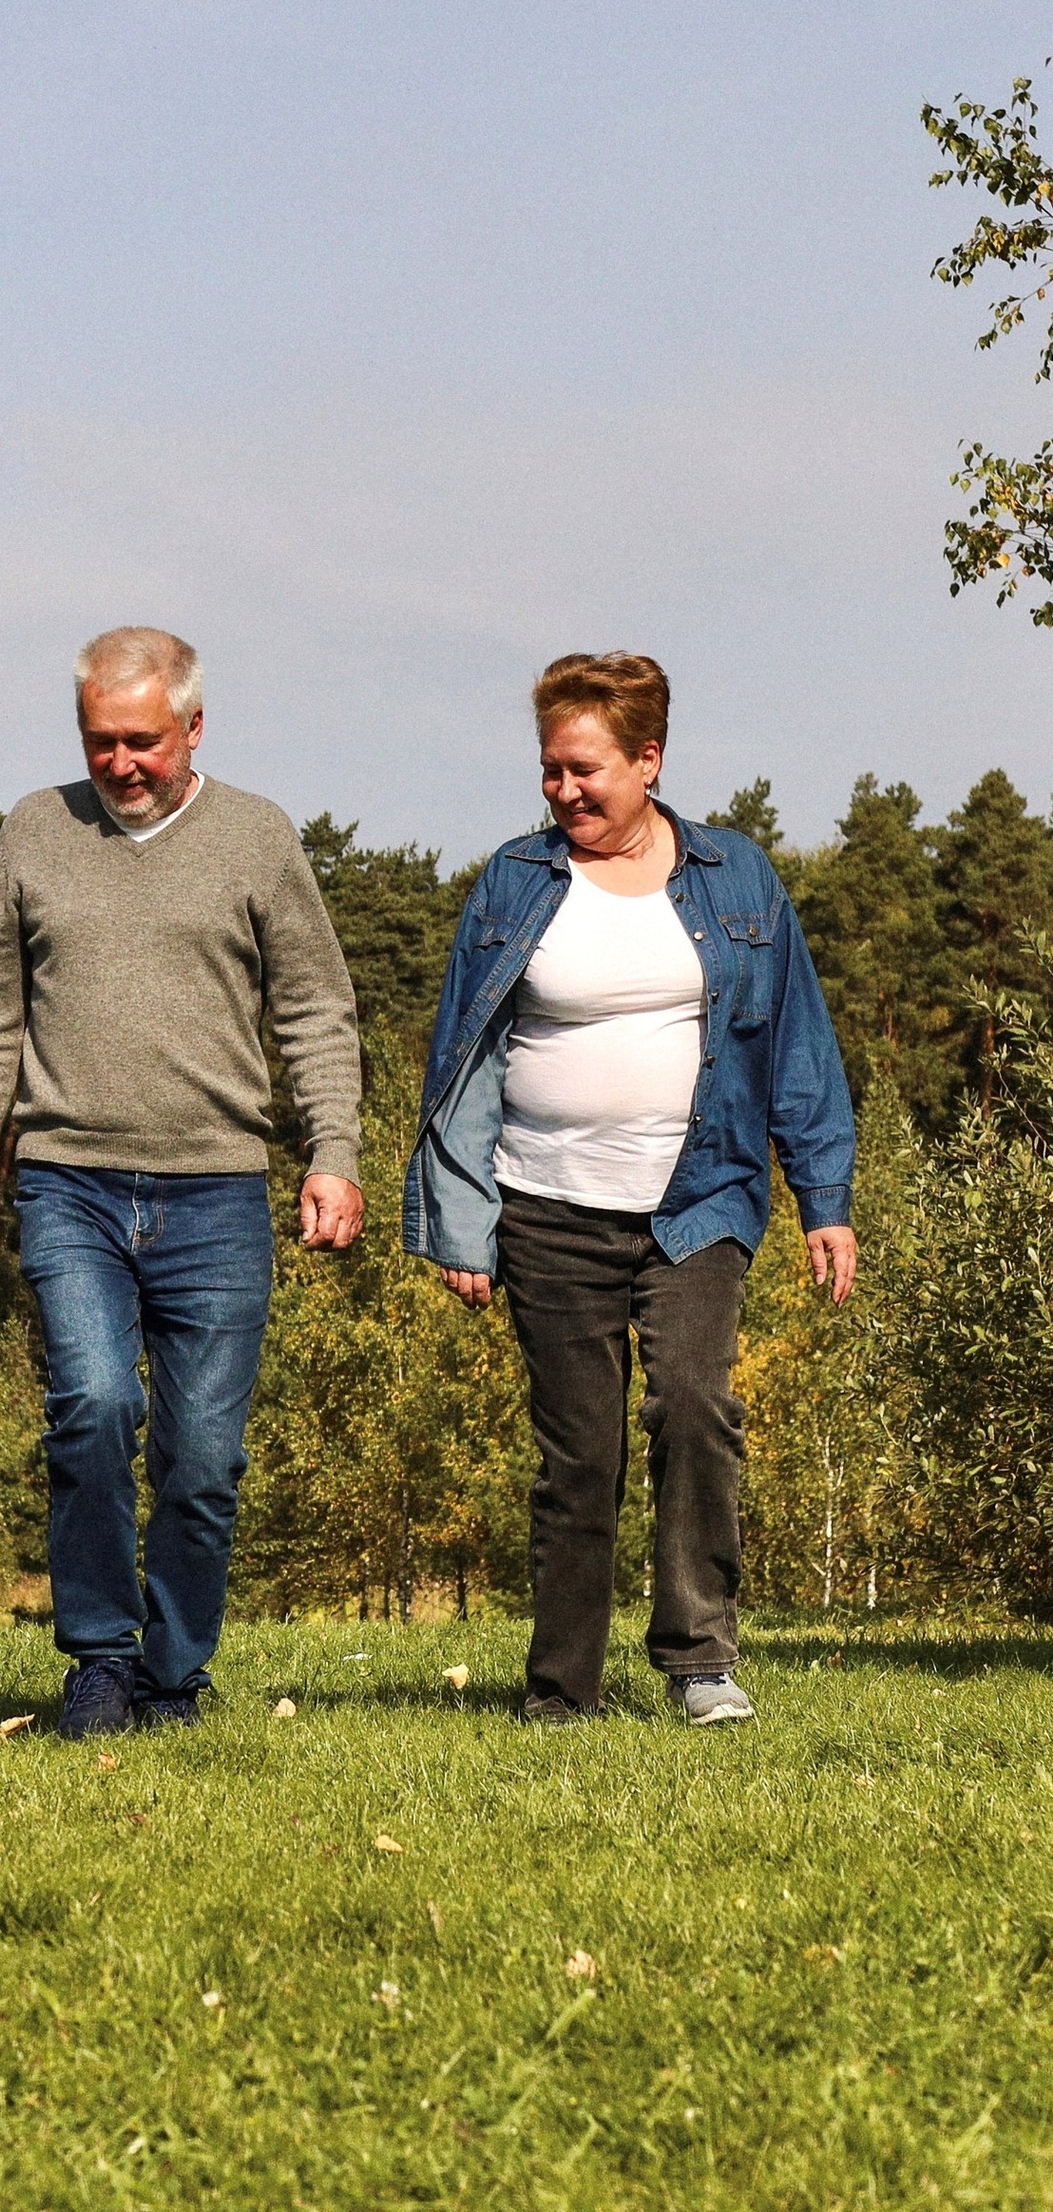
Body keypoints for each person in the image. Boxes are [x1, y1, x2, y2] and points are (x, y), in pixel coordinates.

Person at [405, 653, 856, 1724]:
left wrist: (823, 1199)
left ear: (646, 760)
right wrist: (462, 1224)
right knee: (581, 1449)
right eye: (549, 769)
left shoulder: (736, 877)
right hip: (545, 1203)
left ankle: (699, 1661)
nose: (561, 790)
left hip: (697, 1197)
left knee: (694, 1409)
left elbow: (797, 1044)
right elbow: (457, 1061)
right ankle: (561, 1686)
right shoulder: (514, 882)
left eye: (583, 769)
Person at [0, 627, 365, 1739]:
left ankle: (173, 1675)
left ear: (193, 728)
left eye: (142, 741)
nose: (120, 763)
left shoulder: (257, 838)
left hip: (217, 1188)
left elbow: (316, 1007)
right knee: (92, 1405)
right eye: (99, 741)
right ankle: (97, 1660)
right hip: (66, 1178)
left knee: (202, 1456)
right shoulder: (35, 828)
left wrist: (332, 1153)